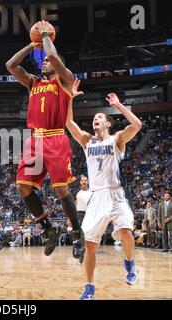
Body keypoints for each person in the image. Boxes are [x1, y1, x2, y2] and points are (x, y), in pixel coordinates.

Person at [6, 20, 84, 258]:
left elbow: (55, 58)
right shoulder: (33, 83)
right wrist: (32, 44)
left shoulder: (64, 80)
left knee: (61, 189)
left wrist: (47, 36)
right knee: (22, 186)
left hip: (56, 138)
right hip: (35, 140)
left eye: (47, 60)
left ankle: (77, 233)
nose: (44, 61)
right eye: (43, 60)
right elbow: (10, 65)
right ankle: (49, 228)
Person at [66, 82, 142, 300]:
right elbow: (68, 122)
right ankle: (89, 286)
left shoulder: (117, 139)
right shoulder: (86, 141)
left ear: (108, 123)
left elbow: (136, 125)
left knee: (126, 230)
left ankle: (129, 263)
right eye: (94, 118)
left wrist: (119, 105)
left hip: (116, 193)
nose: (95, 119)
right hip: (97, 196)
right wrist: (70, 97)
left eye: (99, 117)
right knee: (90, 245)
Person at [73, 175, 92, 263]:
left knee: (88, 234)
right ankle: (82, 253)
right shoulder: (76, 192)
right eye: (82, 180)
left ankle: (87, 253)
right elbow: (70, 204)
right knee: (82, 234)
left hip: (90, 214)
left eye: (85, 180)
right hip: (79, 214)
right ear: (80, 182)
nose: (84, 182)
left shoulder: (92, 192)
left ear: (87, 182)